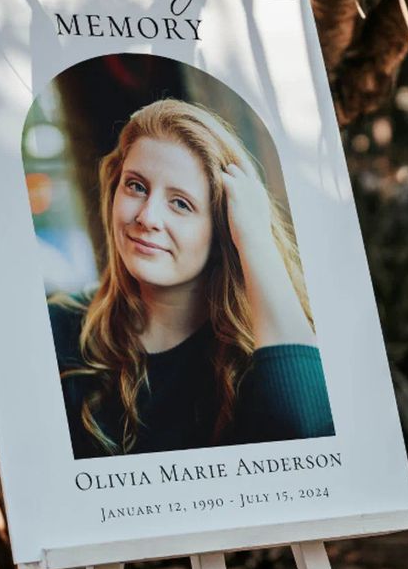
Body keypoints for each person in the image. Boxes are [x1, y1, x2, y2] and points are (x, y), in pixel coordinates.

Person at [49, 99, 334, 458]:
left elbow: (306, 436)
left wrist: (257, 241)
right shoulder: (58, 330)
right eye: (136, 186)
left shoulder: (267, 355)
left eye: (181, 203)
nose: (147, 216)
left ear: (225, 229)